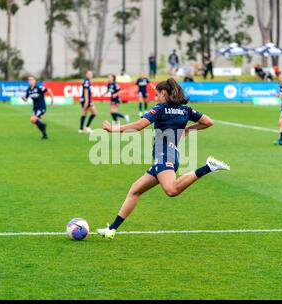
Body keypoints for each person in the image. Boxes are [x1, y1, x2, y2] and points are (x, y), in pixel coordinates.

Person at [97, 78, 231, 239]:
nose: (155, 98)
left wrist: (113, 129)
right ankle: (111, 229)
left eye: (157, 94)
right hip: (170, 154)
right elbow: (208, 122)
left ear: (164, 93)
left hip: (164, 155)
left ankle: (208, 167)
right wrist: (188, 129)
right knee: (135, 190)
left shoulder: (160, 108)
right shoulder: (185, 110)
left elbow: (140, 125)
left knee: (171, 190)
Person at [22, 76, 54, 140]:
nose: (30, 81)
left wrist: (52, 99)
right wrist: (23, 98)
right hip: (35, 108)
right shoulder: (28, 90)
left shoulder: (39, 87)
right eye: (29, 80)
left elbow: (48, 90)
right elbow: (26, 99)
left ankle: (44, 125)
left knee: (32, 119)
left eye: (32, 80)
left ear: (35, 81)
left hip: (41, 107)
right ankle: (44, 135)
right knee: (38, 122)